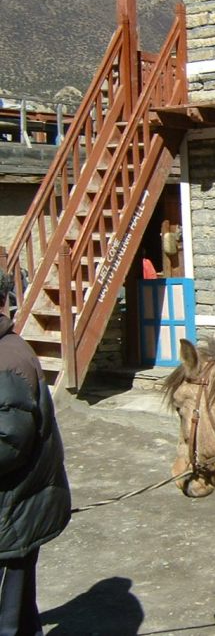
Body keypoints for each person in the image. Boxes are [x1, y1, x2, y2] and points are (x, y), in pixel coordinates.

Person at [0, 270, 71, 635]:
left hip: (12, 512)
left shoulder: (7, 359)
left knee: (7, 619)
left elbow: (8, 445)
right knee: (20, 615)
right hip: (13, 511)